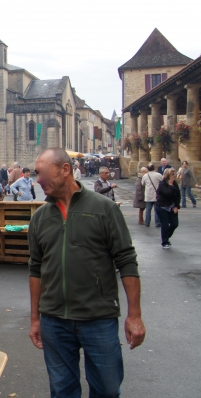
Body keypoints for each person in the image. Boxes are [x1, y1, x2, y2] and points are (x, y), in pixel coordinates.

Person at [29, 148, 145, 398]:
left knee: (107, 390)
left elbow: (126, 260)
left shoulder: (104, 209)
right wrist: (35, 318)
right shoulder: (39, 218)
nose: (37, 180)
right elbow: (35, 268)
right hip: (54, 320)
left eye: (41, 173)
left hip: (98, 318)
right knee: (62, 391)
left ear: (65, 170)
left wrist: (134, 315)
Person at [156, 167, 180, 249]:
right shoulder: (162, 184)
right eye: (172, 174)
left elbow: (178, 195)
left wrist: (176, 206)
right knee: (165, 225)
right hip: (162, 207)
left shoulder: (175, 183)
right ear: (168, 176)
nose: (174, 176)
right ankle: (165, 242)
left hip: (172, 207)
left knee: (174, 224)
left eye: (174, 174)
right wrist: (170, 185)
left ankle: (166, 236)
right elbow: (167, 194)